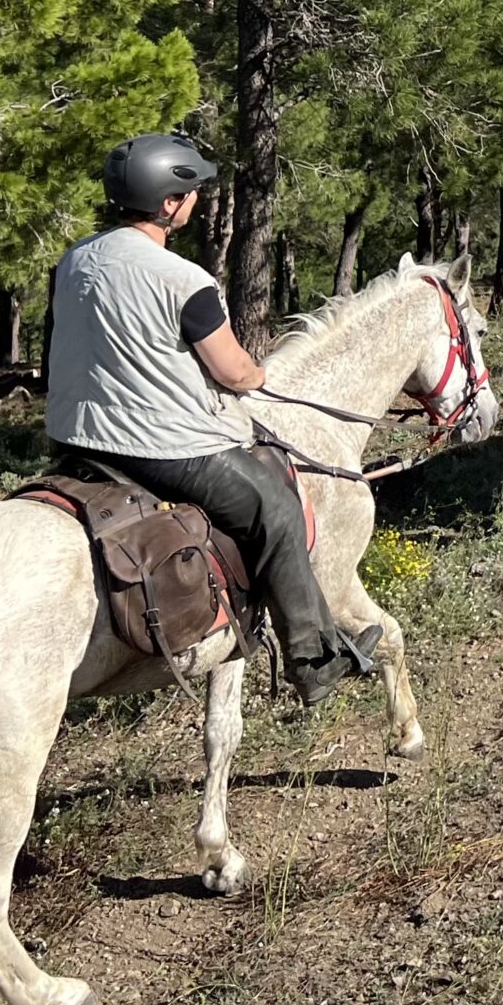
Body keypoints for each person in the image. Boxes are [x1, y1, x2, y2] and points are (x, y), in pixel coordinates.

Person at [44, 134, 379, 706]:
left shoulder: (73, 262)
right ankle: (314, 657)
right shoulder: (184, 279)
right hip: (163, 448)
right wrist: (256, 375)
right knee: (274, 505)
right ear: (169, 203)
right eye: (190, 190)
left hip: (74, 439)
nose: (196, 199)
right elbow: (231, 370)